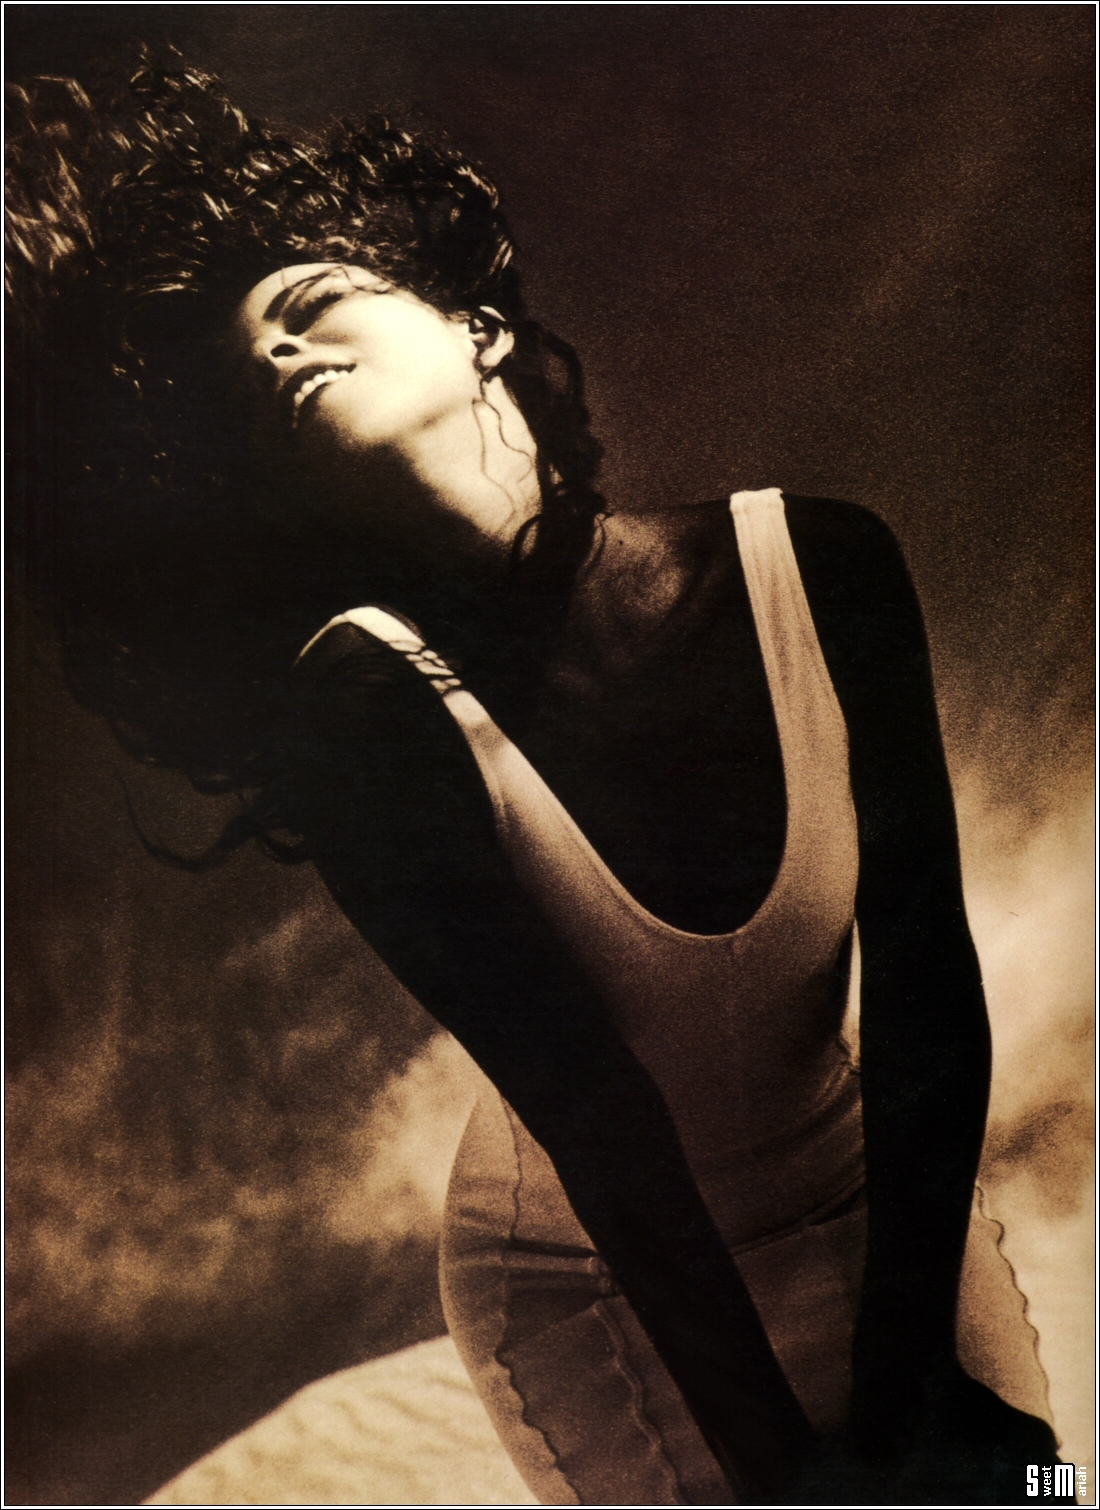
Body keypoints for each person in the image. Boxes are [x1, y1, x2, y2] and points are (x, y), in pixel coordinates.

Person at [8, 58, 1062, 1505]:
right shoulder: (366, 715)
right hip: (606, 1290)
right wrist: (789, 1479)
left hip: (877, 1207)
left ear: (480, 326)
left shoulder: (823, 566)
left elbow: (931, 987)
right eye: (248, 383)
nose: (280, 357)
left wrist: (912, 1398)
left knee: (1031, 1493)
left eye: (307, 305)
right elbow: (598, 1118)